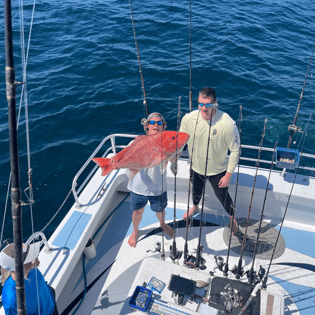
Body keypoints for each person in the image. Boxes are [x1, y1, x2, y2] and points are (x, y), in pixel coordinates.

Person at [180, 87, 240, 234]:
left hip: (217, 171)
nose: (204, 108)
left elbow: (235, 150)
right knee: (196, 191)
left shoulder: (227, 124)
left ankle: (232, 219)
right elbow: (180, 140)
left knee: (224, 198)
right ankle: (195, 208)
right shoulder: (188, 119)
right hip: (195, 167)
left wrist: (228, 175)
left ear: (215, 104)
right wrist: (173, 157)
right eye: (201, 104)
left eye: (208, 105)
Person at [127, 112, 174, 247]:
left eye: (159, 123)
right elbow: (128, 160)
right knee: (138, 211)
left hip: (158, 188)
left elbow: (174, 160)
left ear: (163, 127)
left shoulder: (167, 143)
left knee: (160, 210)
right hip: (138, 187)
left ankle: (163, 224)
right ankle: (135, 231)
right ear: (147, 126)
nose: (156, 125)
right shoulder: (137, 142)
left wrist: (172, 151)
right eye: (152, 122)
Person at [0, 242, 58, 315]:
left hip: (50, 304)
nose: (36, 256)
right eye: (29, 258)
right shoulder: (11, 301)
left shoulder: (31, 268)